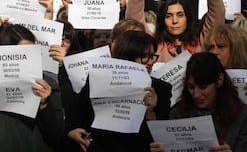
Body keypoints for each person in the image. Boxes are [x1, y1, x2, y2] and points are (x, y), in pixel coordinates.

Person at [64, 30, 172, 152]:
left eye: (152, 56)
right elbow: (78, 109)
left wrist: (151, 112)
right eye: (144, 56)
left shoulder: (161, 89)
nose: (151, 62)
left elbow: (163, 137)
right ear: (128, 56)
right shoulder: (99, 79)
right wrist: (72, 129)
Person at [150, 52, 247, 152]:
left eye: (203, 87)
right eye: (191, 87)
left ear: (219, 80)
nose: (196, 94)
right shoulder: (178, 113)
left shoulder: (243, 115)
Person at [0, 21, 64, 152]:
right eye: (23, 54)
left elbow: (56, 136)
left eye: (33, 52)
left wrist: (45, 106)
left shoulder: (48, 85)